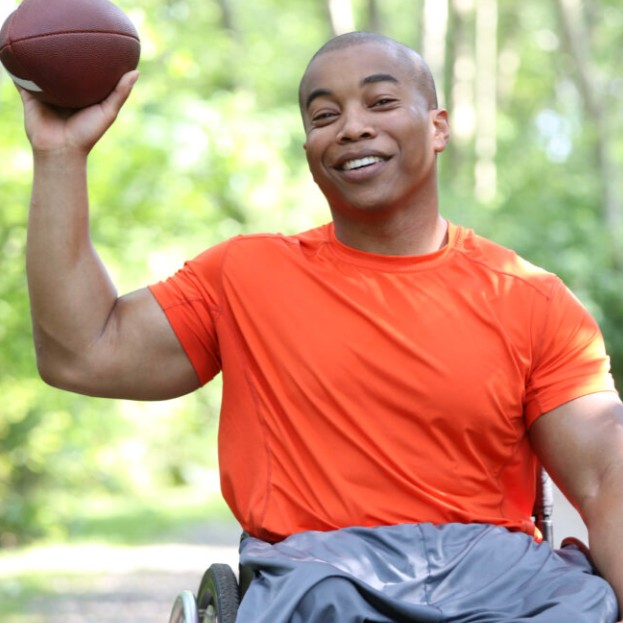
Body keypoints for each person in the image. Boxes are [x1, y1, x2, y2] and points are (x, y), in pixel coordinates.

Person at [18, 30, 623, 622]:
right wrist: (60, 156)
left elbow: (604, 474)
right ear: (310, 152)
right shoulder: (246, 275)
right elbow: (84, 351)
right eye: (324, 115)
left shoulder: (531, 299)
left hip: (496, 580)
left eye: (381, 102)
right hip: (317, 579)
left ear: (437, 127)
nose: (352, 126)